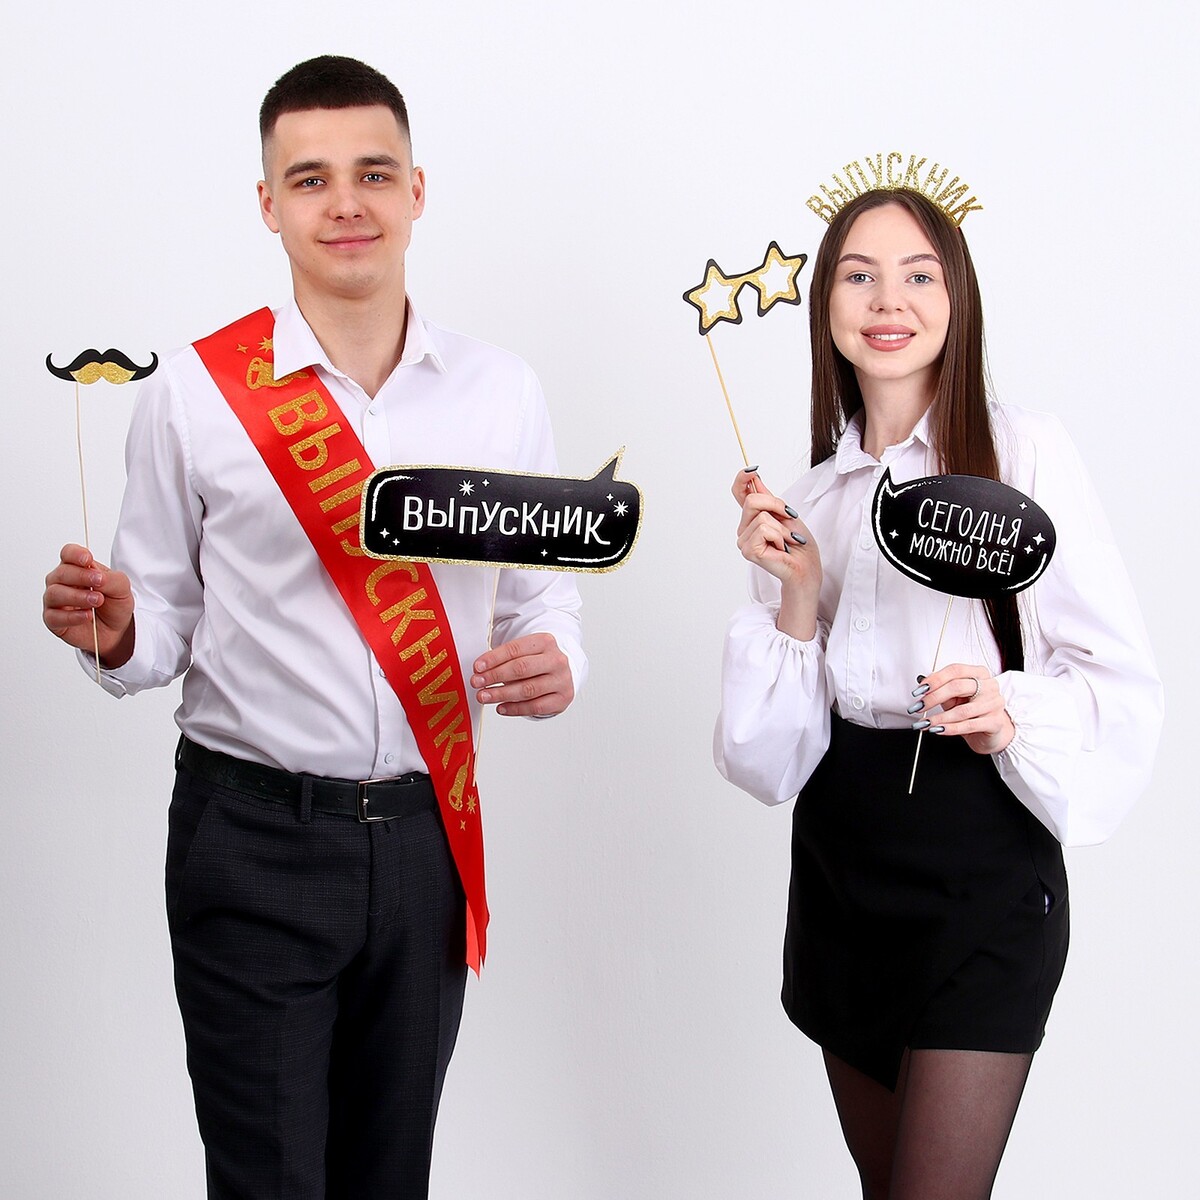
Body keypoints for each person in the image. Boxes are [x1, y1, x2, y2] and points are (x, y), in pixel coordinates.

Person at [42, 55, 585, 1199]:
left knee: (391, 1176)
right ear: (269, 204)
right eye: (311, 178)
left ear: (417, 191)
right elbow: (158, 623)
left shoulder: (502, 391)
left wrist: (559, 658)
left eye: (373, 173)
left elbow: (542, 596)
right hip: (252, 836)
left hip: (428, 836)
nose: (346, 202)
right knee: (270, 1180)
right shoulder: (197, 391)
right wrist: (117, 631)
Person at [714, 186, 1162, 1200]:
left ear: (958, 297)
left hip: (984, 867)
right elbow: (767, 763)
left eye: (919, 275)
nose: (890, 300)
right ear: (826, 304)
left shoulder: (1026, 452)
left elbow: (1118, 678)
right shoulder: (809, 497)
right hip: (843, 869)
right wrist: (796, 596)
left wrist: (1011, 711)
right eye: (859, 275)